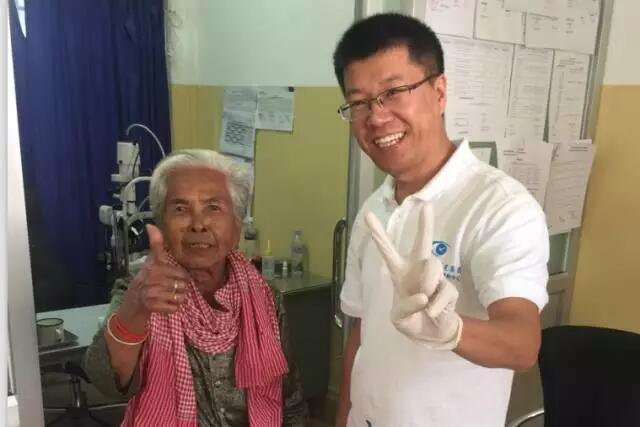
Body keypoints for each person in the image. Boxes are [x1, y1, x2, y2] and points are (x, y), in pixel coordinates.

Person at [332, 13, 549, 427]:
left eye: (393, 92)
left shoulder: (500, 207)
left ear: (439, 91)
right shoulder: (374, 210)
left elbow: (522, 344)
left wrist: (450, 329)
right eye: (358, 103)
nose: (376, 117)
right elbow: (362, 334)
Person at [84, 149, 306, 426]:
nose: (198, 225)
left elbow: (290, 401)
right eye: (180, 209)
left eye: (213, 208)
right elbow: (104, 380)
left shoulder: (265, 297)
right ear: (161, 224)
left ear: (237, 226)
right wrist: (135, 311)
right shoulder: (144, 291)